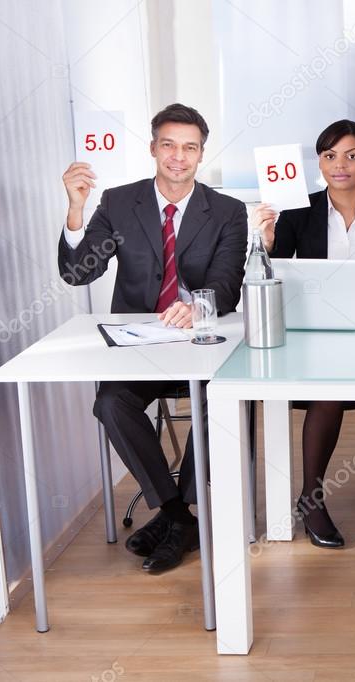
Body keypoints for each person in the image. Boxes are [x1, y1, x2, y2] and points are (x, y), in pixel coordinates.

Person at [58, 103, 247, 572]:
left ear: (201, 154)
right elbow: (79, 273)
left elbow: (227, 284)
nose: (178, 156)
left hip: (202, 344)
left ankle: (173, 518)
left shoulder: (226, 210)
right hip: (139, 346)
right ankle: (179, 517)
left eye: (189, 147)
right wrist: (76, 210)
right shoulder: (121, 203)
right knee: (110, 403)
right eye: (169, 145)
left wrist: (197, 304)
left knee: (221, 398)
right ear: (153, 148)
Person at [255, 119, 355, 547]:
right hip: (315, 336)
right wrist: (267, 242)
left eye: (351, 155)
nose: (340, 165)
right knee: (327, 392)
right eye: (329, 156)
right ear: (319, 163)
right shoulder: (297, 210)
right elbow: (269, 277)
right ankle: (310, 497)